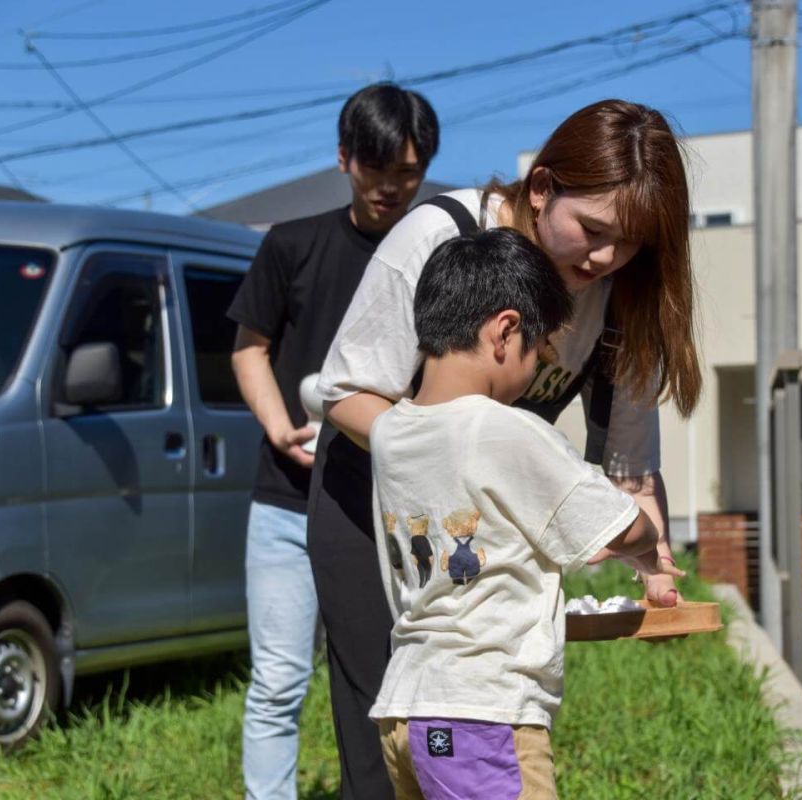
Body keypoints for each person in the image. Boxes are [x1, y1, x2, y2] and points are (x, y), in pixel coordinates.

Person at [308, 98, 700, 798]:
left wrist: (656, 570)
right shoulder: (441, 237)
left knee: (462, 728)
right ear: (542, 188)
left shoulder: (620, 291)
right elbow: (342, 392)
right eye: (593, 229)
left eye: (632, 242)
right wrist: (451, 443)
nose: (607, 256)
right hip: (380, 508)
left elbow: (631, 467)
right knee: (379, 760)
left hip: (482, 527)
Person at [371, 227, 663, 799]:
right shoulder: (504, 429)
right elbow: (623, 522)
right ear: (505, 331)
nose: (536, 375)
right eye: (539, 352)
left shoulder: (389, 432)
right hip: (483, 713)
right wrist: (650, 547)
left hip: (406, 711)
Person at [227, 82, 439, 800]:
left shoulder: (443, 258)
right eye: (376, 169)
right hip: (289, 498)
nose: (390, 188)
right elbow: (249, 349)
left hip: (391, 512)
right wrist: (279, 426)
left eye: (408, 173)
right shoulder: (293, 245)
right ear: (344, 158)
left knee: (391, 678)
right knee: (280, 680)